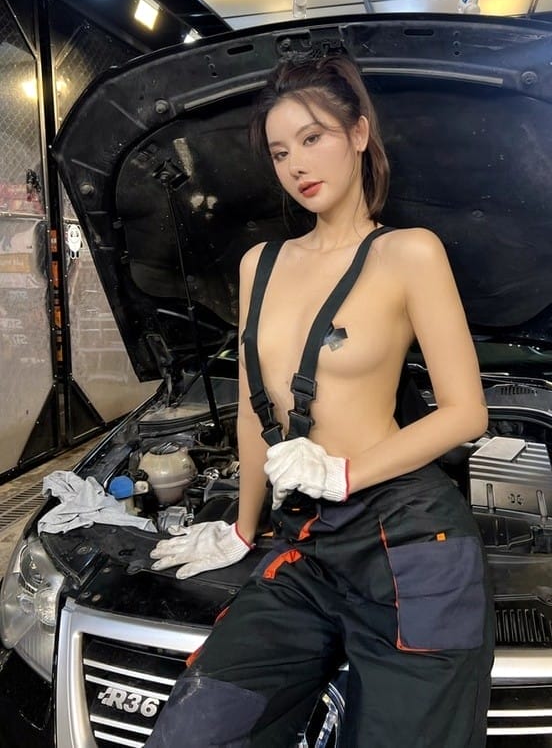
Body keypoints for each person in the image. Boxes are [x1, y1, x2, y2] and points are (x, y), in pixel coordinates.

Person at [145, 54, 494, 748]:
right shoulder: (260, 263)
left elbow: (466, 412)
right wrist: (242, 527)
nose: (296, 165)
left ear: (359, 133)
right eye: (280, 152)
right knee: (195, 730)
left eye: (312, 138)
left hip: (409, 535)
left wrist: (342, 472)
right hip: (305, 542)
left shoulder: (409, 253)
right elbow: (255, 410)